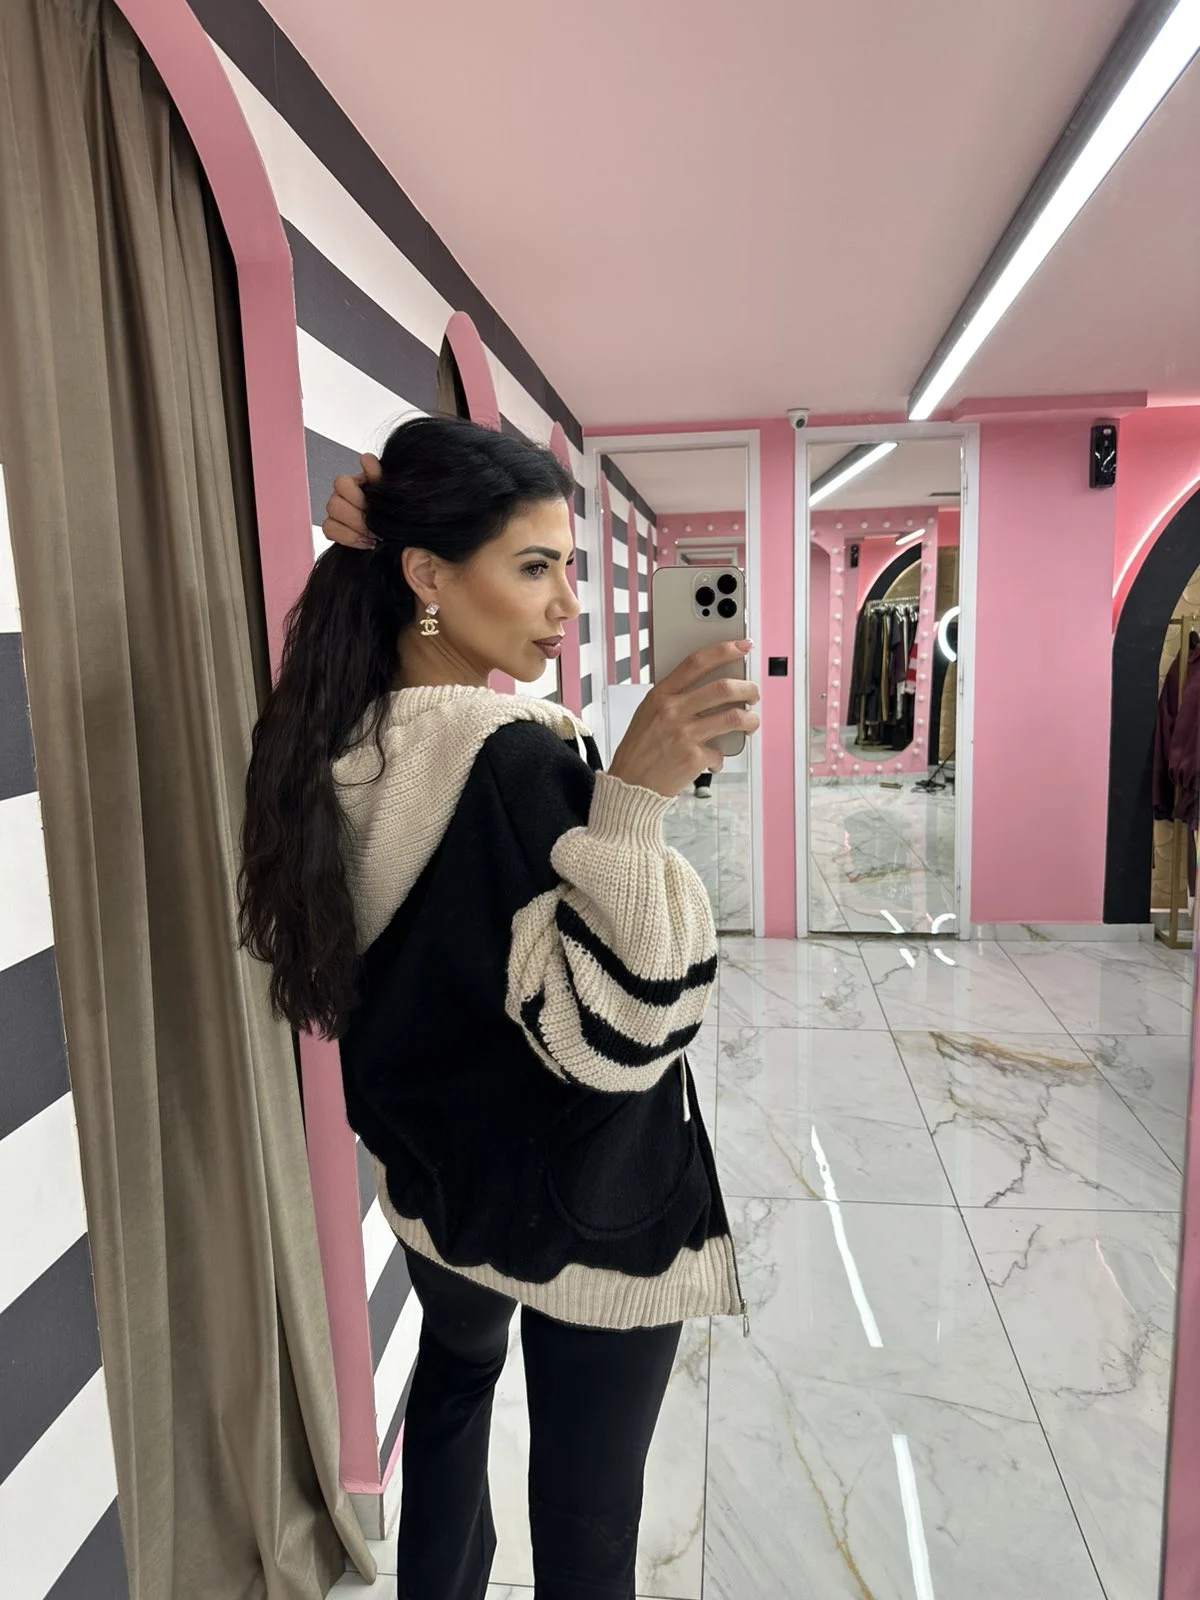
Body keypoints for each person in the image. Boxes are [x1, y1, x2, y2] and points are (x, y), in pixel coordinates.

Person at [236, 416, 760, 1600]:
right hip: (589, 1201)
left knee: (456, 1388)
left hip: (439, 1183)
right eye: (534, 567)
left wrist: (381, 536)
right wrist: (631, 800)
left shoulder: (331, 737)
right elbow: (629, 1024)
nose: (567, 603)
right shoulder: (517, 757)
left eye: (567, 566)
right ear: (426, 575)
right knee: (587, 1529)